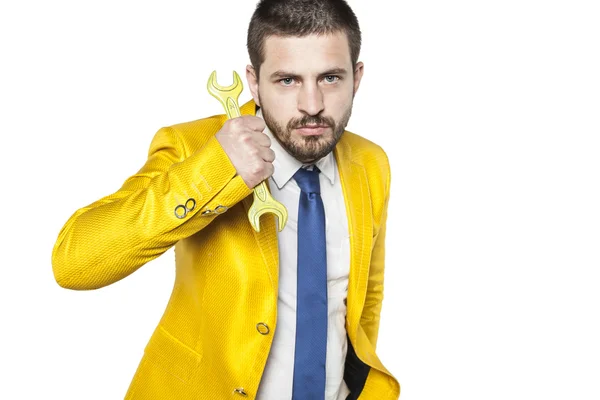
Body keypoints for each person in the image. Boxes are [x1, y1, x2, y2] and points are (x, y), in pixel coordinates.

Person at [51, 0, 400, 398]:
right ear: (253, 81)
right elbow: (73, 264)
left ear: (357, 77)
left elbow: (363, 298)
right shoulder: (191, 147)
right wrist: (214, 171)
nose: (312, 105)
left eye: (330, 78)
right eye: (287, 80)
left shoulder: (371, 163)